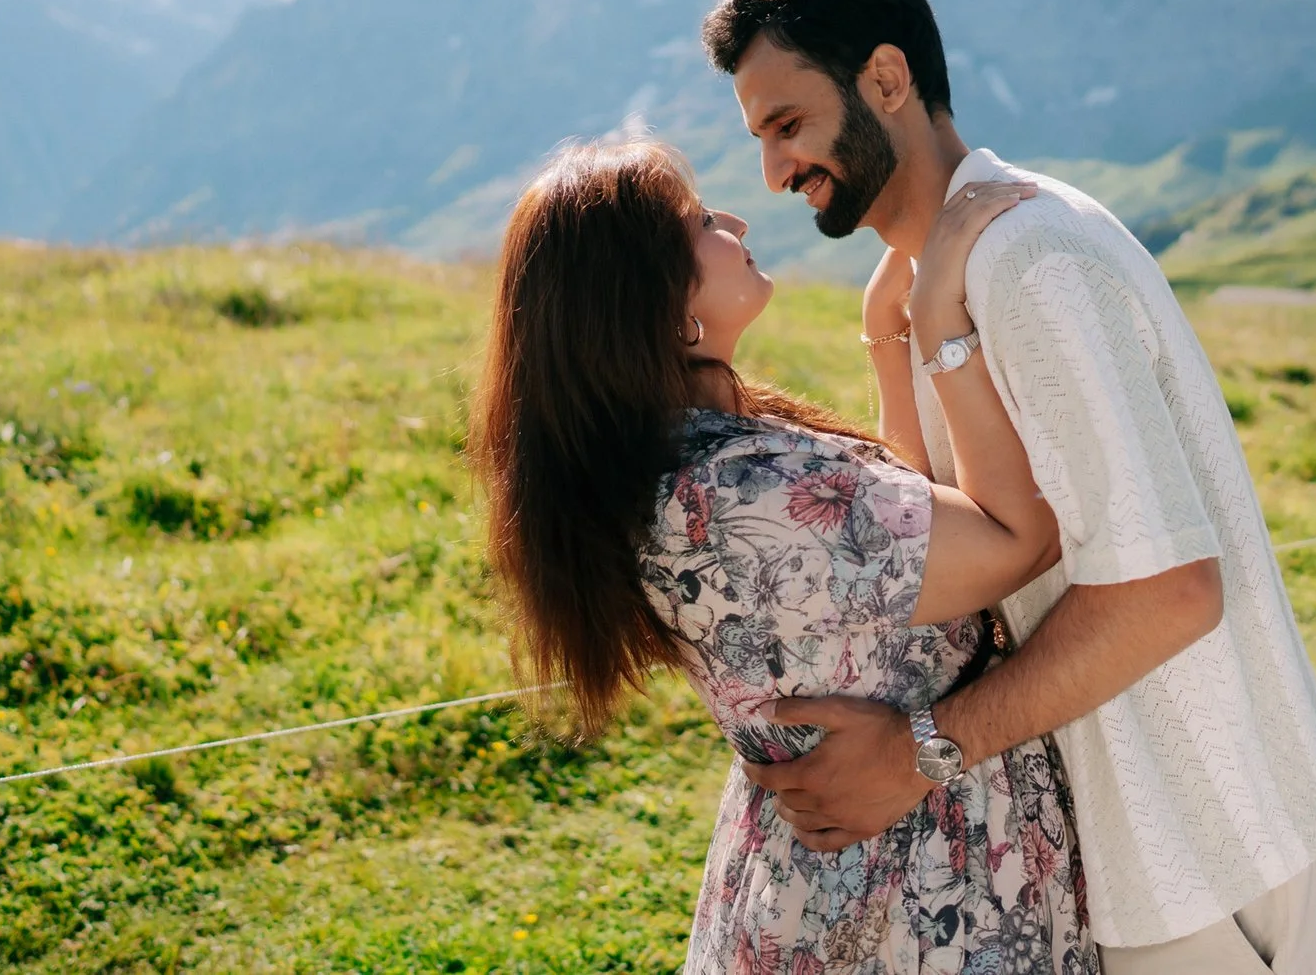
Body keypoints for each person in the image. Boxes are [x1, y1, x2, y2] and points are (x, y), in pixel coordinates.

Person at [702, 0, 1316, 975]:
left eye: (787, 124)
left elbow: (1168, 592)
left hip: (1213, 852)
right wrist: (895, 334)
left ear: (886, 79)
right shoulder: (944, 278)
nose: (774, 171)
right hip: (1135, 858)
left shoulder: (1029, 262)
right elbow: (959, 555)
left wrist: (920, 751)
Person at [468, 139, 1101, 974]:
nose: (731, 218)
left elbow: (906, 541)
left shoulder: (687, 463)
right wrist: (944, 326)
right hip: (914, 899)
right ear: (658, 303)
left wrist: (887, 334)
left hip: (846, 877)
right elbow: (1016, 539)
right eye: (697, 221)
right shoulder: (730, 493)